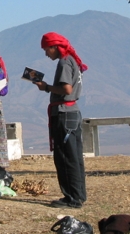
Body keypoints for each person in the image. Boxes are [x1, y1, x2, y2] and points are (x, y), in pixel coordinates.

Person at [33, 32, 87, 209]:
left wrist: (46, 87)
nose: (46, 54)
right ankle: (78, 194)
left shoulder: (64, 62)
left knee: (65, 156)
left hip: (64, 113)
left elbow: (66, 88)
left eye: (46, 49)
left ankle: (72, 197)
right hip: (72, 113)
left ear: (54, 46)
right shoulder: (72, 60)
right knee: (75, 155)